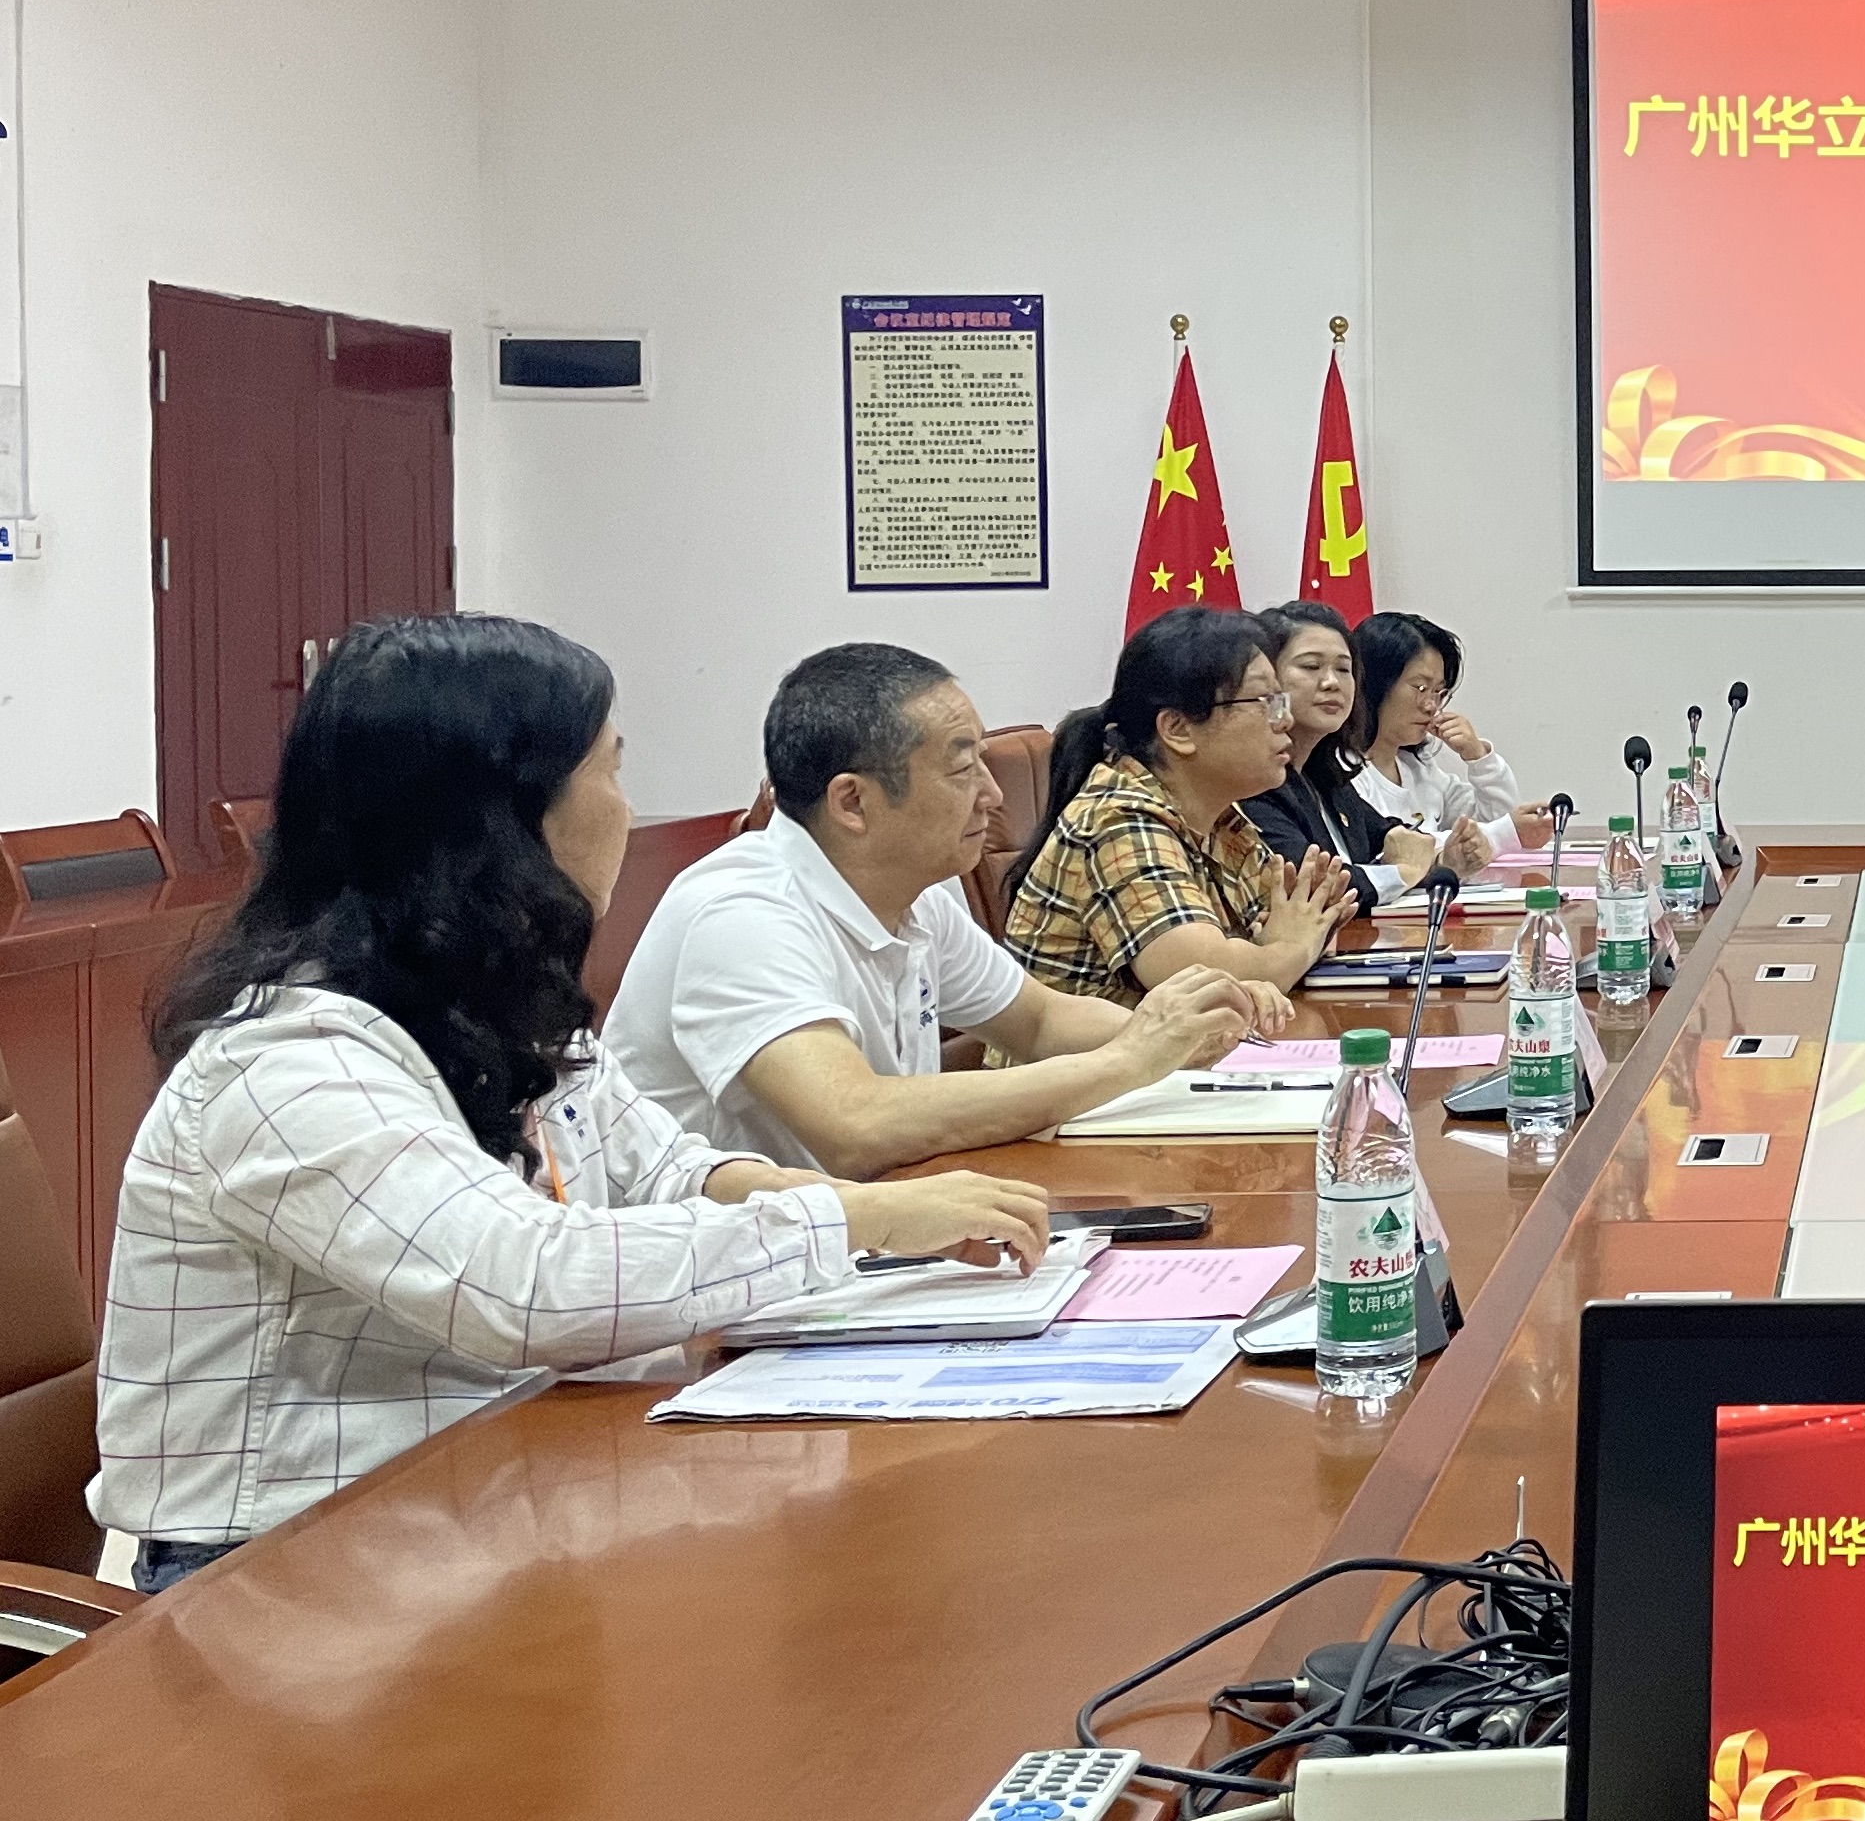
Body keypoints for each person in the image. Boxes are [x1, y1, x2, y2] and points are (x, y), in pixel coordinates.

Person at [88, 615, 1051, 1589]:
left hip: (492, 1500)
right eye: (611, 771)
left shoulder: (494, 1001)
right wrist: (850, 1222)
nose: (627, 810)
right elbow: (522, 1286)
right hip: (282, 1574)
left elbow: (671, 1169)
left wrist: (859, 1214)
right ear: (507, 819)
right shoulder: (290, 1062)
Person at [605, 642, 1285, 1176]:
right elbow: (852, 1123)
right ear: (853, 802)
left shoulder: (916, 893)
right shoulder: (743, 913)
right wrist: (1129, 1060)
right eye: (962, 770)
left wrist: (1187, 1031)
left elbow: (1040, 1020)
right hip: (730, 1284)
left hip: (867, 1232)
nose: (993, 795)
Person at [1004, 607, 1361, 1002]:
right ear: (1178, 729)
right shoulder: (1119, 819)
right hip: (1097, 1044)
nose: (1285, 720)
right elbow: (1211, 981)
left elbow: (1288, 929)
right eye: (1265, 701)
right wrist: (1294, 947)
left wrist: (1295, 938)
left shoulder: (1222, 818)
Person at [1247, 601, 1446, 910]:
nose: (1332, 682)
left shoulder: (1324, 773)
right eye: (1311, 667)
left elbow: (1393, 834)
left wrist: (1418, 851)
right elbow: (1313, 884)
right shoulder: (1252, 781)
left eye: (1343, 669)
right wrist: (1402, 873)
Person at [1342, 611, 1520, 878]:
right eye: (1421, 688)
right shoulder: (1344, 771)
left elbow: (1494, 819)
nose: (1431, 706)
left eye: (1439, 691)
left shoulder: (1417, 767)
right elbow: (1398, 852)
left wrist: (1478, 757)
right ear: (1373, 684)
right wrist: (1498, 833)